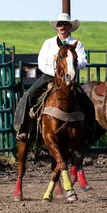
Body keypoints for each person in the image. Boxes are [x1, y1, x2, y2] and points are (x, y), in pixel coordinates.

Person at [14, 13, 90, 141]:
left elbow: (83, 61)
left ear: (70, 26)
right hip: (48, 76)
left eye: (65, 24)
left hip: (69, 79)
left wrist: (72, 63)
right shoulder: (48, 43)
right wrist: (55, 72)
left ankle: (89, 129)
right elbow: (41, 63)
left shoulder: (77, 44)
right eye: (59, 24)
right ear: (57, 27)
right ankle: (23, 128)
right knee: (29, 95)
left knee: (86, 101)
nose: (62, 27)